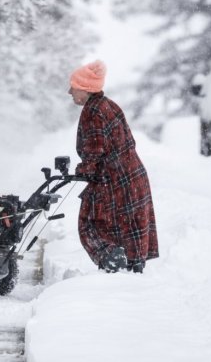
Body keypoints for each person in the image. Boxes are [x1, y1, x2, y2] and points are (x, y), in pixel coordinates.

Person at [68, 60, 159, 273]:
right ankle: (132, 265)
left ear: (84, 88)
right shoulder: (108, 104)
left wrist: (85, 169)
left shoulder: (93, 111)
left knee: (89, 222)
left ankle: (112, 260)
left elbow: (95, 148)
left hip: (114, 178)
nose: (69, 91)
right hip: (131, 175)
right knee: (128, 223)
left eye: (73, 87)